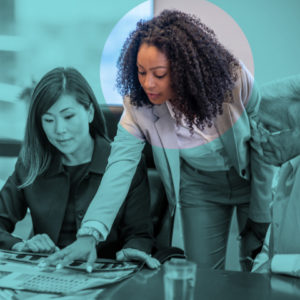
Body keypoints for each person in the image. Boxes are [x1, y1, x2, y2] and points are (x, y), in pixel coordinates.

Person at [45, 10, 275, 271]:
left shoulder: (231, 78)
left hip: (251, 179)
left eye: (159, 74)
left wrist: (262, 211)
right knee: (202, 275)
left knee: (256, 267)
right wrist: (90, 234)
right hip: (199, 188)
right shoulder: (138, 106)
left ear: (184, 69)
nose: (148, 83)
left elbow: (265, 141)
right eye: (141, 72)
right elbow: (119, 166)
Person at [0, 67, 159, 270]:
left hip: (102, 276)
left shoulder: (124, 165)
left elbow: (139, 234)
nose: (59, 130)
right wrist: (20, 245)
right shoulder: (31, 164)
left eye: (68, 116)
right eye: (48, 120)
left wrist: (131, 251)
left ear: (90, 112)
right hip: (46, 274)